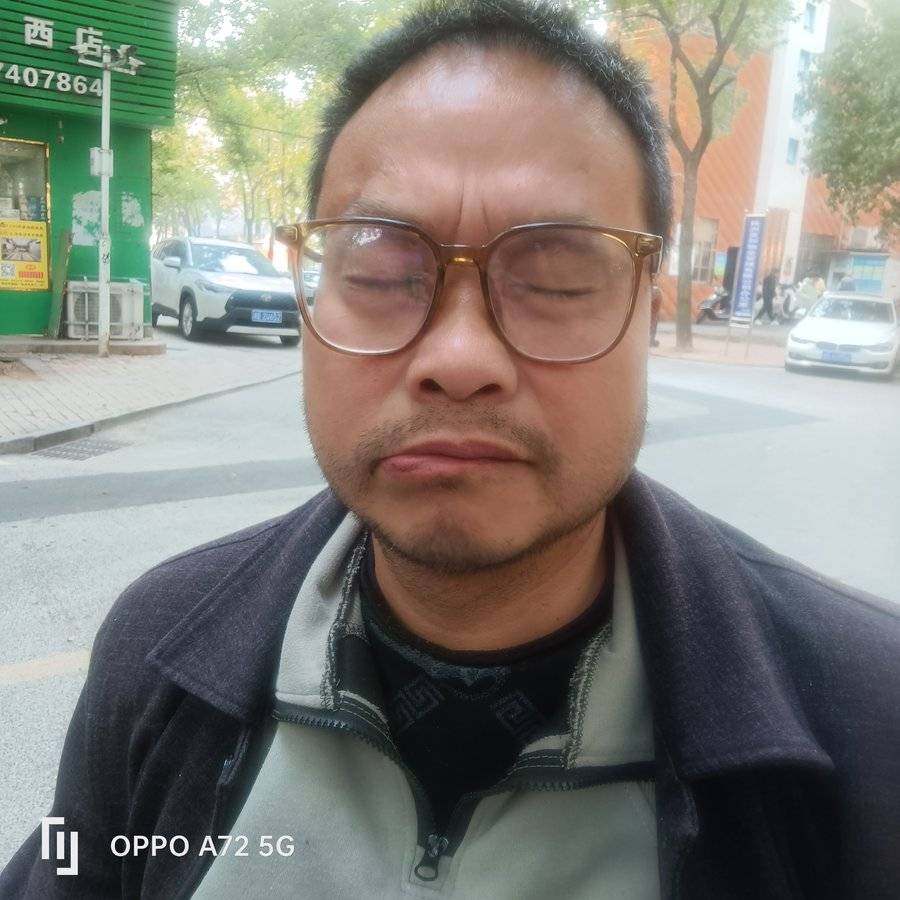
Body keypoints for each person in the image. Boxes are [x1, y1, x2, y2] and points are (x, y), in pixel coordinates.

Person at [3, 3, 899, 899]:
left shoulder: (871, 720)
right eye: (382, 271)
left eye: (556, 279)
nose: (460, 358)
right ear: (314, 301)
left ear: (648, 321)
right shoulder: (158, 652)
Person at [649, 279, 662, 347]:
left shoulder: (655, 291)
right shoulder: (657, 291)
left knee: (653, 325)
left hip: (652, 314)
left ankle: (651, 340)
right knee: (653, 325)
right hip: (653, 314)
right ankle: (651, 340)